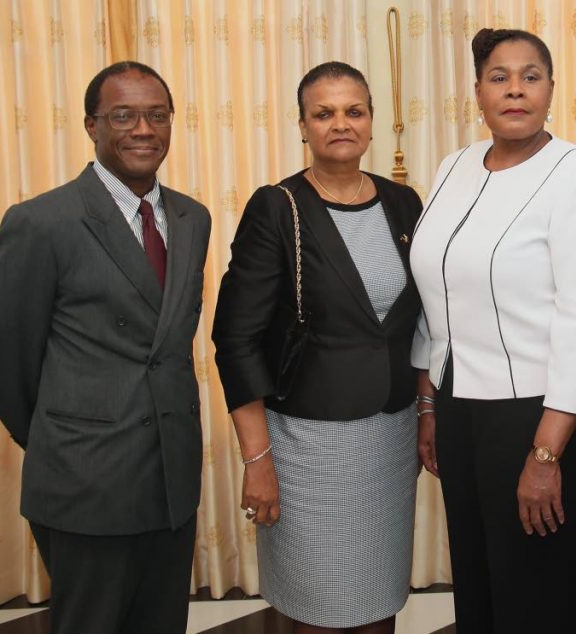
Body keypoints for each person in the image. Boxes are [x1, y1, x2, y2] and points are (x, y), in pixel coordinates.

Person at [0, 61, 211, 634]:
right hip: (85, 482)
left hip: (172, 480)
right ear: (91, 125)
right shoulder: (42, 222)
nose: (143, 129)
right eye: (123, 115)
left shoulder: (192, 218)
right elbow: (4, 353)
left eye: (157, 115)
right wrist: (59, 435)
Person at [410, 28, 576, 633]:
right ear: (477, 92)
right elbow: (437, 298)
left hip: (545, 414)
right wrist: (430, 403)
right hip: (462, 408)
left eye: (530, 76)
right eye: (499, 77)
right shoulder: (452, 168)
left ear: (551, 89)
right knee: (480, 582)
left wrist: (544, 453)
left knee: (544, 592)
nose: (515, 90)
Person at [211, 61, 423, 634]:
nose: (340, 124)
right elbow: (234, 340)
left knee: (378, 598)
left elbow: (424, 323)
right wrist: (258, 461)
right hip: (308, 446)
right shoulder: (277, 208)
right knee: (321, 605)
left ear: (372, 121)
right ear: (302, 125)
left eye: (354, 111)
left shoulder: (404, 204)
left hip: (390, 438)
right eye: (323, 113)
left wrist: (427, 413)